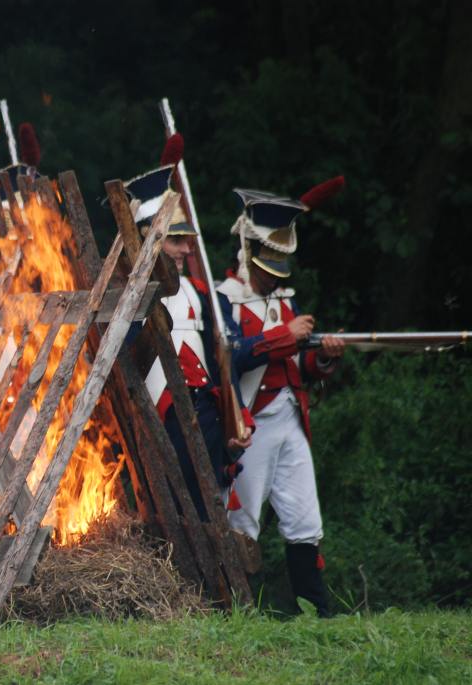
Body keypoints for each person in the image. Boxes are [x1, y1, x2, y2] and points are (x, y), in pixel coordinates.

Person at [215, 179, 345, 616]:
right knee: (243, 519)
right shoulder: (224, 301)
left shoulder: (284, 300)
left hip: (290, 418)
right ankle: (236, 607)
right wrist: (284, 337)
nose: (273, 277)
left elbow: (297, 367)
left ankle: (316, 609)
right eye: (266, 268)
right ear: (247, 253)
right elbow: (231, 359)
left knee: (304, 517)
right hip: (250, 423)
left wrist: (323, 358)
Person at [124, 152, 254, 521]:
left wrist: (237, 417)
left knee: (208, 517)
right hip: (157, 422)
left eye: (185, 240)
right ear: (149, 238)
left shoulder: (201, 293)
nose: (186, 249)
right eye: (175, 240)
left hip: (206, 418)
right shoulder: (126, 296)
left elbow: (223, 360)